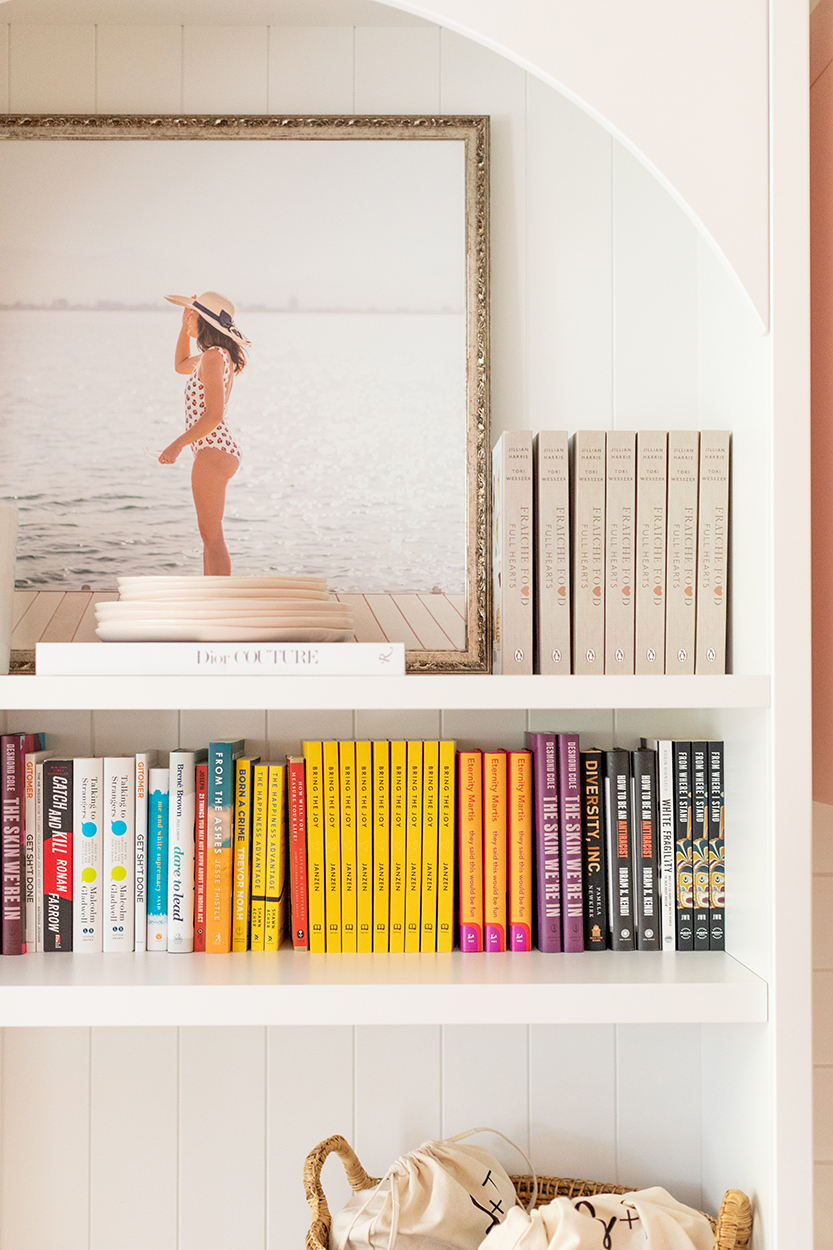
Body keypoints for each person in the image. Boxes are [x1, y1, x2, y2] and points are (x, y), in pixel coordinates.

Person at [159, 291, 250, 576]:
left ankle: (220, 602)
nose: (189, 319)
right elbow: (179, 365)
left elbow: (214, 415)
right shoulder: (215, 356)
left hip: (214, 449)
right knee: (208, 535)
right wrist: (183, 328)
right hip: (218, 448)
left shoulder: (213, 358)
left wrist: (177, 445)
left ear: (207, 321)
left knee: (212, 536)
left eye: (193, 315)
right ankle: (210, 595)